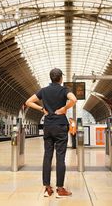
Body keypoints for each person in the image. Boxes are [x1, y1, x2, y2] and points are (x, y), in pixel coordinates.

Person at [25, 68, 77, 198]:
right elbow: (74, 100)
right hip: (60, 126)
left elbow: (28, 102)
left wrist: (42, 109)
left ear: (51, 78)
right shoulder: (64, 90)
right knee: (60, 157)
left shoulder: (44, 91)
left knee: (47, 156)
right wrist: (64, 108)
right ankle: (60, 188)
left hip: (48, 126)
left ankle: (47, 188)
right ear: (60, 78)